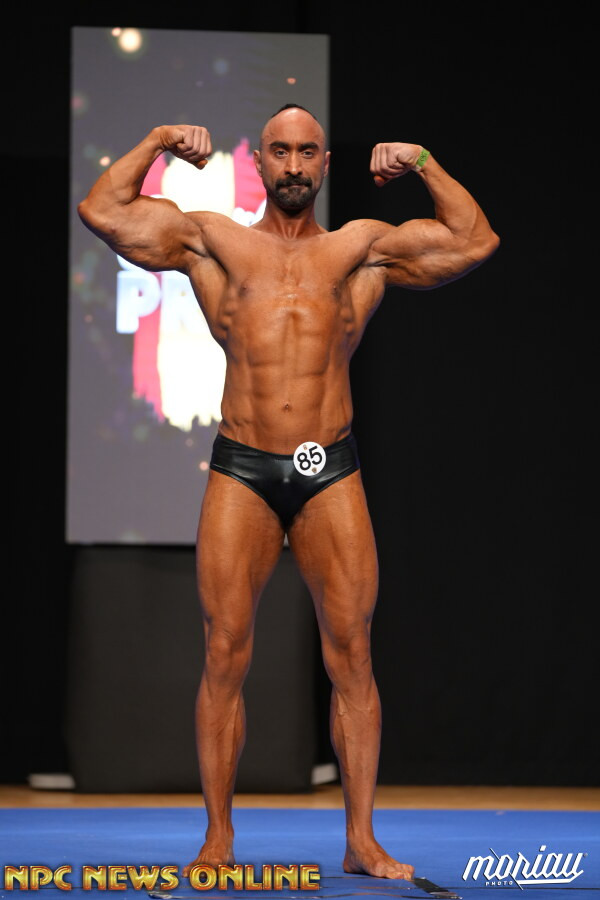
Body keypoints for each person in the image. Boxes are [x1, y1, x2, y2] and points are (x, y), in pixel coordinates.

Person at [79, 104, 499, 881]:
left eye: (308, 152)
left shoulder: (359, 248)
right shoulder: (214, 240)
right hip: (243, 465)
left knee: (353, 655)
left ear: (325, 163)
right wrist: (159, 142)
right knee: (224, 652)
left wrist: (423, 161)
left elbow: (475, 241)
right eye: (281, 151)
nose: (295, 165)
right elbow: (103, 211)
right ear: (261, 161)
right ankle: (217, 839)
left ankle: (361, 840)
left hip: (326, 466)